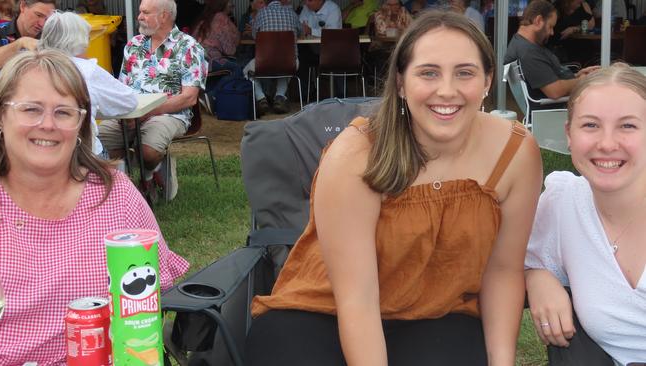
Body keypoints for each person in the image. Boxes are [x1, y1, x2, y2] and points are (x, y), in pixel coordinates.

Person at [245, 10, 543, 365]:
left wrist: (502, 362)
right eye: (428, 72)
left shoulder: (515, 153)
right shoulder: (356, 155)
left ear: (487, 82)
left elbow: (504, 271)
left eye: (465, 73)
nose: (447, 90)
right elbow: (358, 299)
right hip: (326, 309)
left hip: (438, 311)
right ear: (401, 83)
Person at [0, 49, 189, 364]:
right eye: (30, 109)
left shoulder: (116, 196)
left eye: (63, 112)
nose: (47, 124)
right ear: (0, 116)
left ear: (81, 124)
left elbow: (154, 296)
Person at [525, 64, 646, 365]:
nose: (606, 144)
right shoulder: (564, 202)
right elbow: (530, 259)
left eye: (627, 126)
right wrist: (538, 279)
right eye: (590, 125)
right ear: (569, 134)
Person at [98, 0, 208, 201]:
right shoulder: (134, 45)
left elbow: (189, 98)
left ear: (164, 16)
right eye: (140, 12)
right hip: (130, 114)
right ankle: (128, 185)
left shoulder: (188, 47)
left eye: (145, 12)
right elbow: (122, 88)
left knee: (148, 151)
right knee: (97, 142)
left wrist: (147, 112)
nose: (139, 17)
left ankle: (148, 172)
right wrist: (125, 111)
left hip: (169, 114)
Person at [38, 11, 138, 159]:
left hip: (40, 151)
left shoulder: (32, 68)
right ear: (80, 40)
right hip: (82, 154)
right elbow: (129, 101)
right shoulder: (86, 69)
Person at [504, 0, 599, 101]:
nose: (552, 32)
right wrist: (582, 80)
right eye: (550, 26)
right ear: (538, 21)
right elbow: (555, 91)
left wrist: (577, 75)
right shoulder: (528, 53)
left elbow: (545, 77)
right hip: (556, 108)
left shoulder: (522, 43)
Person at [244, 0, 300, 115]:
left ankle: (261, 98)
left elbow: (255, 36)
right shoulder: (292, 13)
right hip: (290, 63)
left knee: (246, 71)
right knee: (284, 68)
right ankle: (279, 97)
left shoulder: (261, 13)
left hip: (265, 62)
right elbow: (299, 32)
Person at [192, 0, 242, 99]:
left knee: (221, 71)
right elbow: (230, 50)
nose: (232, 5)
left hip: (195, 61)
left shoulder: (204, 19)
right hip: (209, 59)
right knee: (237, 68)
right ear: (222, 4)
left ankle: (206, 96)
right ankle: (212, 96)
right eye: (229, 2)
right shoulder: (221, 18)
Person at [0, 0, 55, 69]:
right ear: (23, 6)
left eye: (47, 19)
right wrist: (20, 43)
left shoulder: (50, 37)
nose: (42, 24)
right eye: (38, 15)